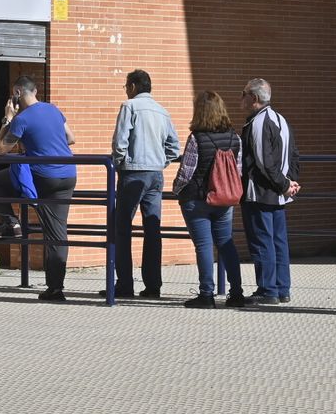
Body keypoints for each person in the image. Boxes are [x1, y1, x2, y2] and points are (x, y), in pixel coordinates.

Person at [0, 75, 78, 301]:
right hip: (68, 175)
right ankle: (55, 287)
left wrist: (6, 119)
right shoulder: (53, 110)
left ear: (17, 93)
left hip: (44, 177)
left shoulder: (22, 119)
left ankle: (11, 222)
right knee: (58, 231)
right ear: (36, 91)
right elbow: (71, 138)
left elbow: (1, 150)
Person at [171, 90, 248, 309]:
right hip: (225, 199)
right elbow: (238, 169)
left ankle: (206, 294)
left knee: (204, 245)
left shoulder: (197, 138)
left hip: (197, 199)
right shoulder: (235, 138)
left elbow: (187, 172)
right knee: (226, 243)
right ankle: (237, 293)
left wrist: (177, 190)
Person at [109, 69, 181, 299]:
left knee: (122, 229)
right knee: (153, 230)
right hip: (155, 174)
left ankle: (124, 284)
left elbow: (120, 142)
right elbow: (173, 146)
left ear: (132, 86)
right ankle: (153, 286)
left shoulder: (129, 107)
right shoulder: (162, 110)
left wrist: (120, 163)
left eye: (126, 86)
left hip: (133, 173)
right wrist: (162, 161)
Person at [239, 77, 300, 305]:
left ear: (253, 98)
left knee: (263, 240)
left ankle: (268, 290)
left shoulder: (258, 122)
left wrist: (284, 184)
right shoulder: (281, 119)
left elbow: (264, 162)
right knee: (278, 241)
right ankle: (282, 288)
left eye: (243, 93)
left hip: (261, 192)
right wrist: (290, 181)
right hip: (278, 193)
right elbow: (294, 154)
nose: (241, 98)